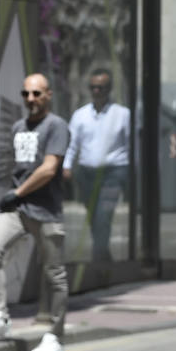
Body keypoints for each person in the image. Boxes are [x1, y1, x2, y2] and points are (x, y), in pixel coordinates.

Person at [0, 72, 70, 351]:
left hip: (46, 210)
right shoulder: (18, 127)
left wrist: (17, 192)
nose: (31, 99)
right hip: (18, 210)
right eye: (26, 93)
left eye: (36, 93)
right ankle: (0, 315)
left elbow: (49, 169)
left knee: (54, 275)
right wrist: (14, 196)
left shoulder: (56, 126)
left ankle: (54, 336)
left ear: (48, 95)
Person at [63, 68, 131, 263]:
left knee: (103, 215)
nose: (96, 91)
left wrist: (130, 171)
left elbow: (130, 144)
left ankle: (98, 261)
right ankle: (104, 256)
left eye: (101, 88)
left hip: (113, 172)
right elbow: (72, 144)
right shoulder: (80, 115)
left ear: (109, 89)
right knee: (93, 217)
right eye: (93, 87)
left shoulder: (122, 114)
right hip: (87, 173)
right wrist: (67, 166)